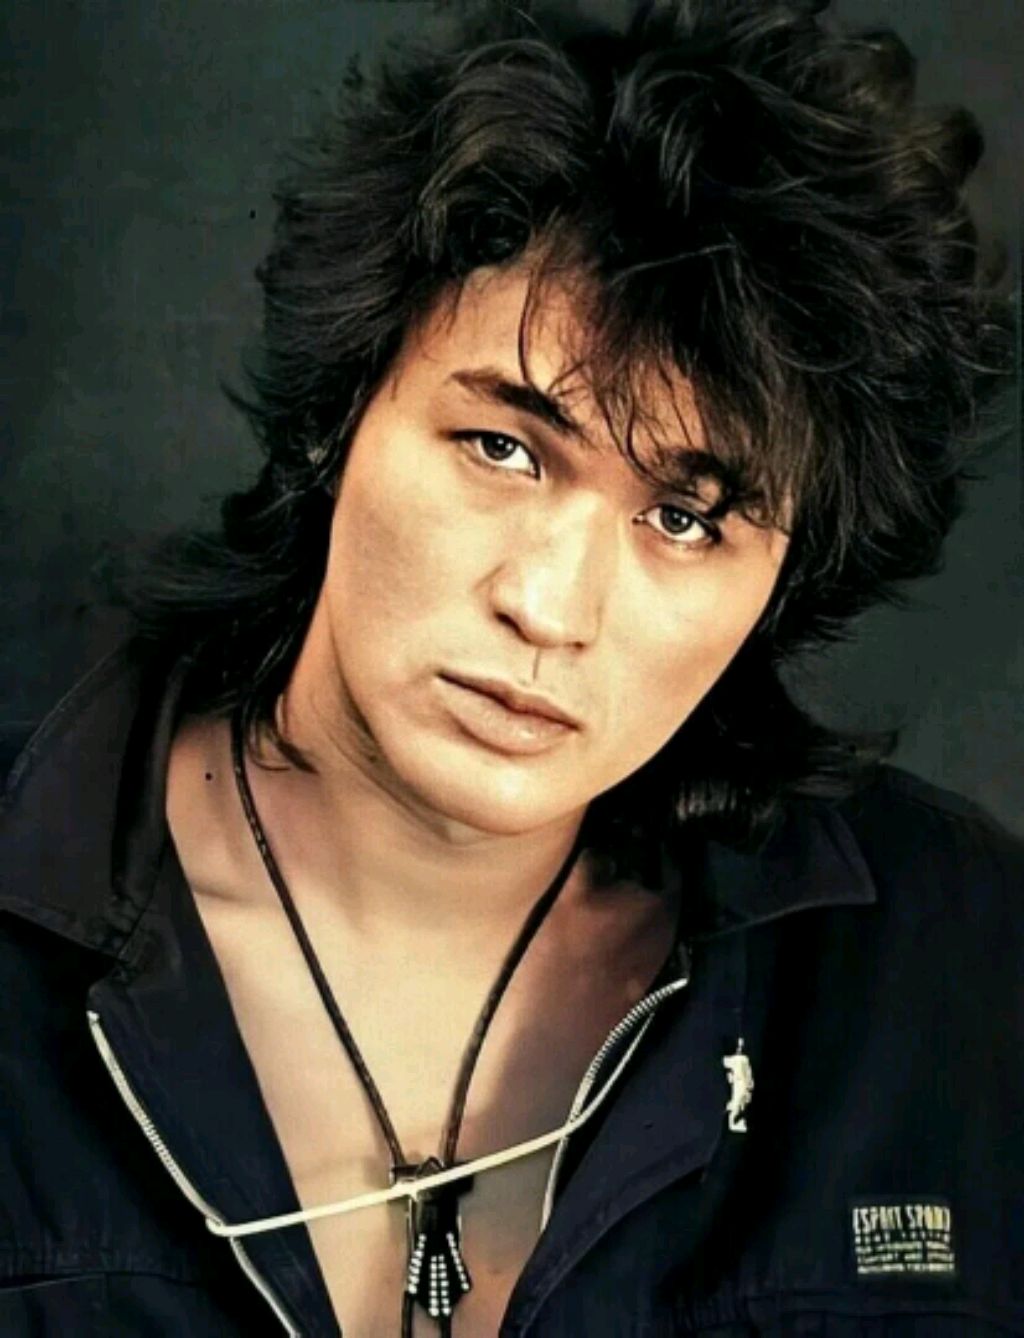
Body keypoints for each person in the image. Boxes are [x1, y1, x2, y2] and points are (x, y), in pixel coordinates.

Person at [1, 0, 1020, 1334]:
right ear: (339, 419)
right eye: (504, 449)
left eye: (686, 517)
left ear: (784, 581)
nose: (548, 607)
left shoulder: (957, 958)